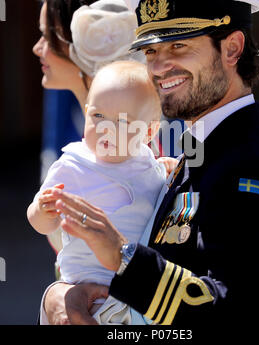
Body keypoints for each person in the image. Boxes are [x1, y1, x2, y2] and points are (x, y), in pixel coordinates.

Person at [41, 0, 259, 325]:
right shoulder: (202, 149)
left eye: (178, 45)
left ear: (232, 48)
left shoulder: (247, 165)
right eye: (150, 52)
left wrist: (123, 256)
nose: (160, 67)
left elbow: (241, 313)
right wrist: (61, 294)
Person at [28, 60, 177, 324]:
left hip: (139, 296)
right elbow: (39, 224)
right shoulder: (73, 165)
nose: (104, 128)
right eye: (97, 116)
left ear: (149, 131)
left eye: (121, 121)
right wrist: (42, 210)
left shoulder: (149, 165)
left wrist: (164, 171)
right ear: (86, 113)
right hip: (85, 293)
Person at [32, 0, 146, 255]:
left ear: (91, 39)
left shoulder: (136, 139)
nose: (37, 48)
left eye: (48, 36)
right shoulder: (93, 129)